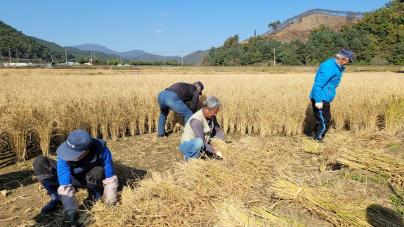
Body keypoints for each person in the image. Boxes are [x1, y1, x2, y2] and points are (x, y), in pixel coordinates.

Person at [33, 129, 118, 225]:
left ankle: (94, 194)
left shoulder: (101, 150)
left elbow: (110, 178)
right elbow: (64, 181)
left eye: (74, 154)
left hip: (88, 175)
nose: (69, 156)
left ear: (86, 151)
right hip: (72, 176)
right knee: (39, 162)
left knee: (99, 170)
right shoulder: (65, 153)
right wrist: (71, 210)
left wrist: (110, 201)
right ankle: (56, 196)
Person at [309, 48, 354, 141]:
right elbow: (318, 84)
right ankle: (318, 140)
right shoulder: (329, 67)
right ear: (343, 59)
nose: (348, 63)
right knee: (324, 121)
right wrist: (318, 100)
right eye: (348, 61)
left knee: (323, 120)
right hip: (321, 98)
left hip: (324, 97)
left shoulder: (336, 66)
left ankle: (316, 136)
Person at [179, 96, 225, 160]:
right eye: (215, 112)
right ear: (206, 109)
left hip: (202, 144)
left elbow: (217, 130)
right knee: (199, 142)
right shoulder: (196, 120)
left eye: (216, 112)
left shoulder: (211, 116)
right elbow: (201, 141)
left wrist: (221, 144)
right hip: (188, 145)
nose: (215, 114)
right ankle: (188, 157)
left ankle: (201, 154)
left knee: (220, 134)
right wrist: (215, 151)